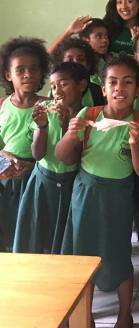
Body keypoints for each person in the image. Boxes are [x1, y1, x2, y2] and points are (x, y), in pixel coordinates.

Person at [55, 55, 139, 328]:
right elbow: (61, 155)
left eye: (128, 82)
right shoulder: (89, 115)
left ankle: (124, 317)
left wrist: (134, 143)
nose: (120, 88)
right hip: (86, 194)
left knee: (118, 255)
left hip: (118, 198)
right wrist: (71, 134)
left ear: (137, 91)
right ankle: (86, 317)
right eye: (113, 82)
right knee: (84, 256)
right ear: (103, 89)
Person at [13, 62, 89, 253]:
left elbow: (70, 159)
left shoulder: (87, 116)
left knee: (62, 240)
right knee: (34, 236)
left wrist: (65, 127)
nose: (57, 92)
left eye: (64, 84)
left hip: (70, 185)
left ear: (81, 85)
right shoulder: (45, 109)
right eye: (53, 86)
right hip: (41, 181)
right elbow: (37, 154)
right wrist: (42, 126)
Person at [0, 37, 49, 252]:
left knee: (32, 238)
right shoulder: (3, 106)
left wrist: (32, 166)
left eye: (33, 69)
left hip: (36, 180)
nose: (28, 74)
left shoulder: (48, 106)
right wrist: (6, 157)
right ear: (8, 75)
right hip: (6, 179)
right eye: (20, 70)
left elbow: (55, 148)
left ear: (41, 73)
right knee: (8, 234)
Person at [51, 38, 105, 106]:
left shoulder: (96, 90)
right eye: (70, 60)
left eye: (81, 59)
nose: (76, 63)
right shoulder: (54, 91)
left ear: (88, 64)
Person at [79, 18, 112, 85]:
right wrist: (69, 31)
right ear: (86, 40)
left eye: (106, 36)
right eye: (99, 36)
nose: (105, 40)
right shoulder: (80, 62)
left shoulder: (112, 58)